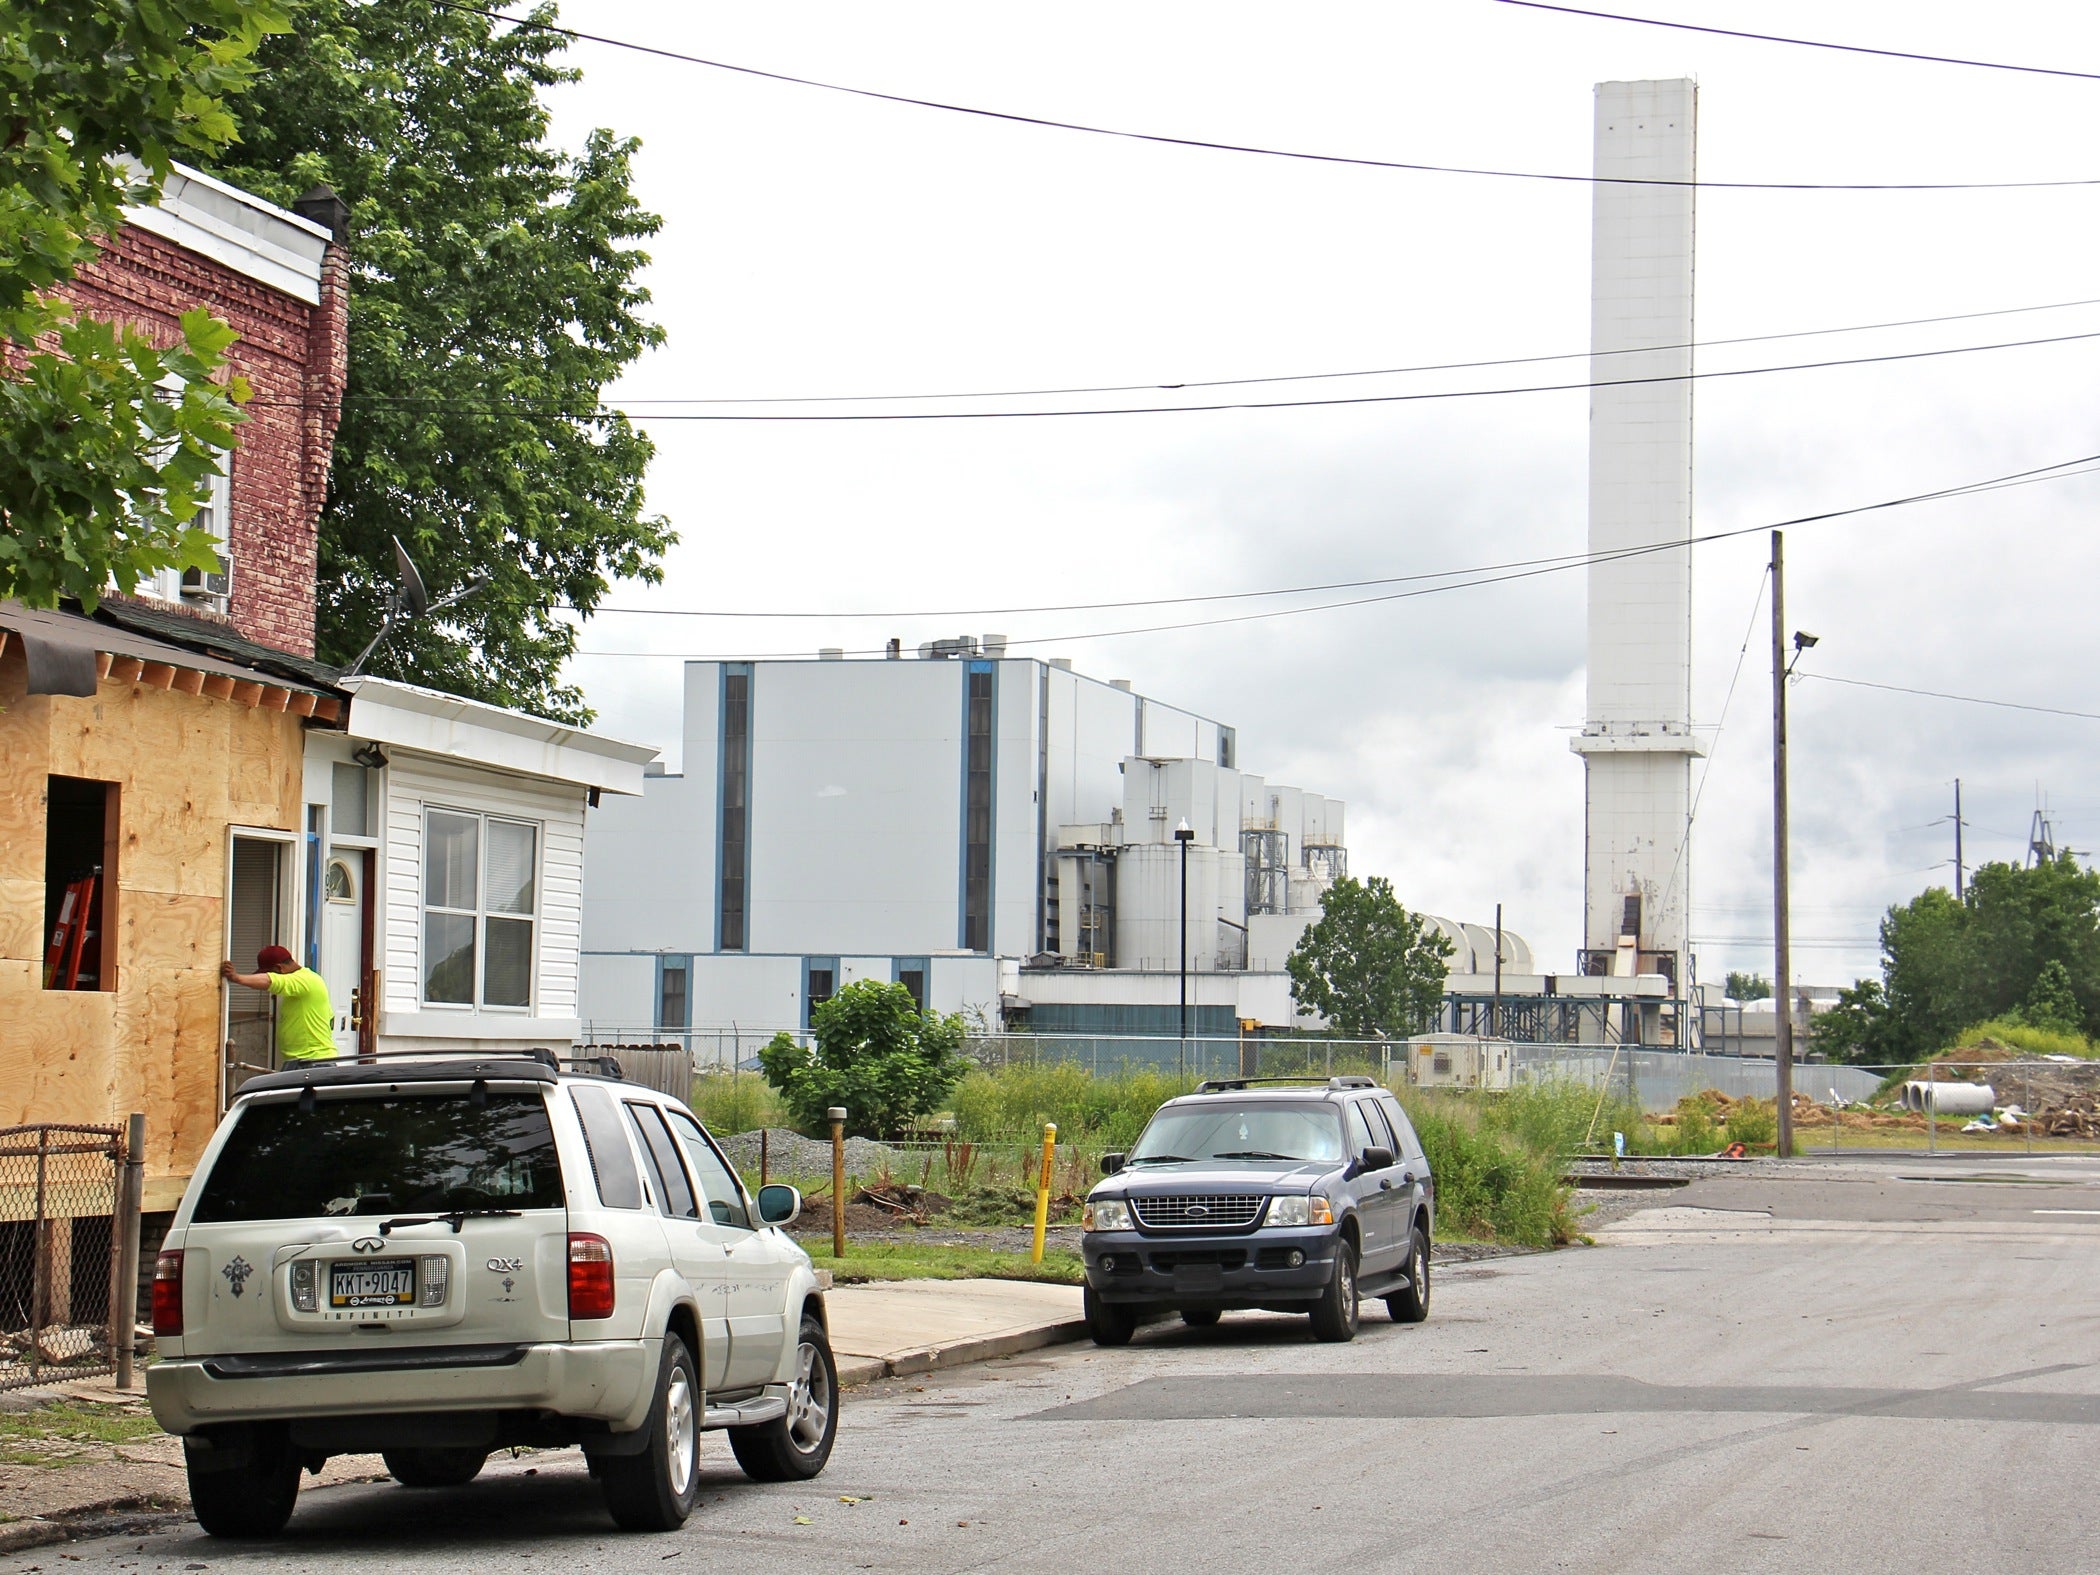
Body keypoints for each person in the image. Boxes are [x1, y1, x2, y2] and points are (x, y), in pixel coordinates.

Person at [221, 944, 336, 1064]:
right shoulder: (307, 981)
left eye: (270, 972)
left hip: (314, 1060)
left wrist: (237, 978)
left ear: (279, 968)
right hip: (307, 1060)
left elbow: (271, 981)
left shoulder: (305, 980)